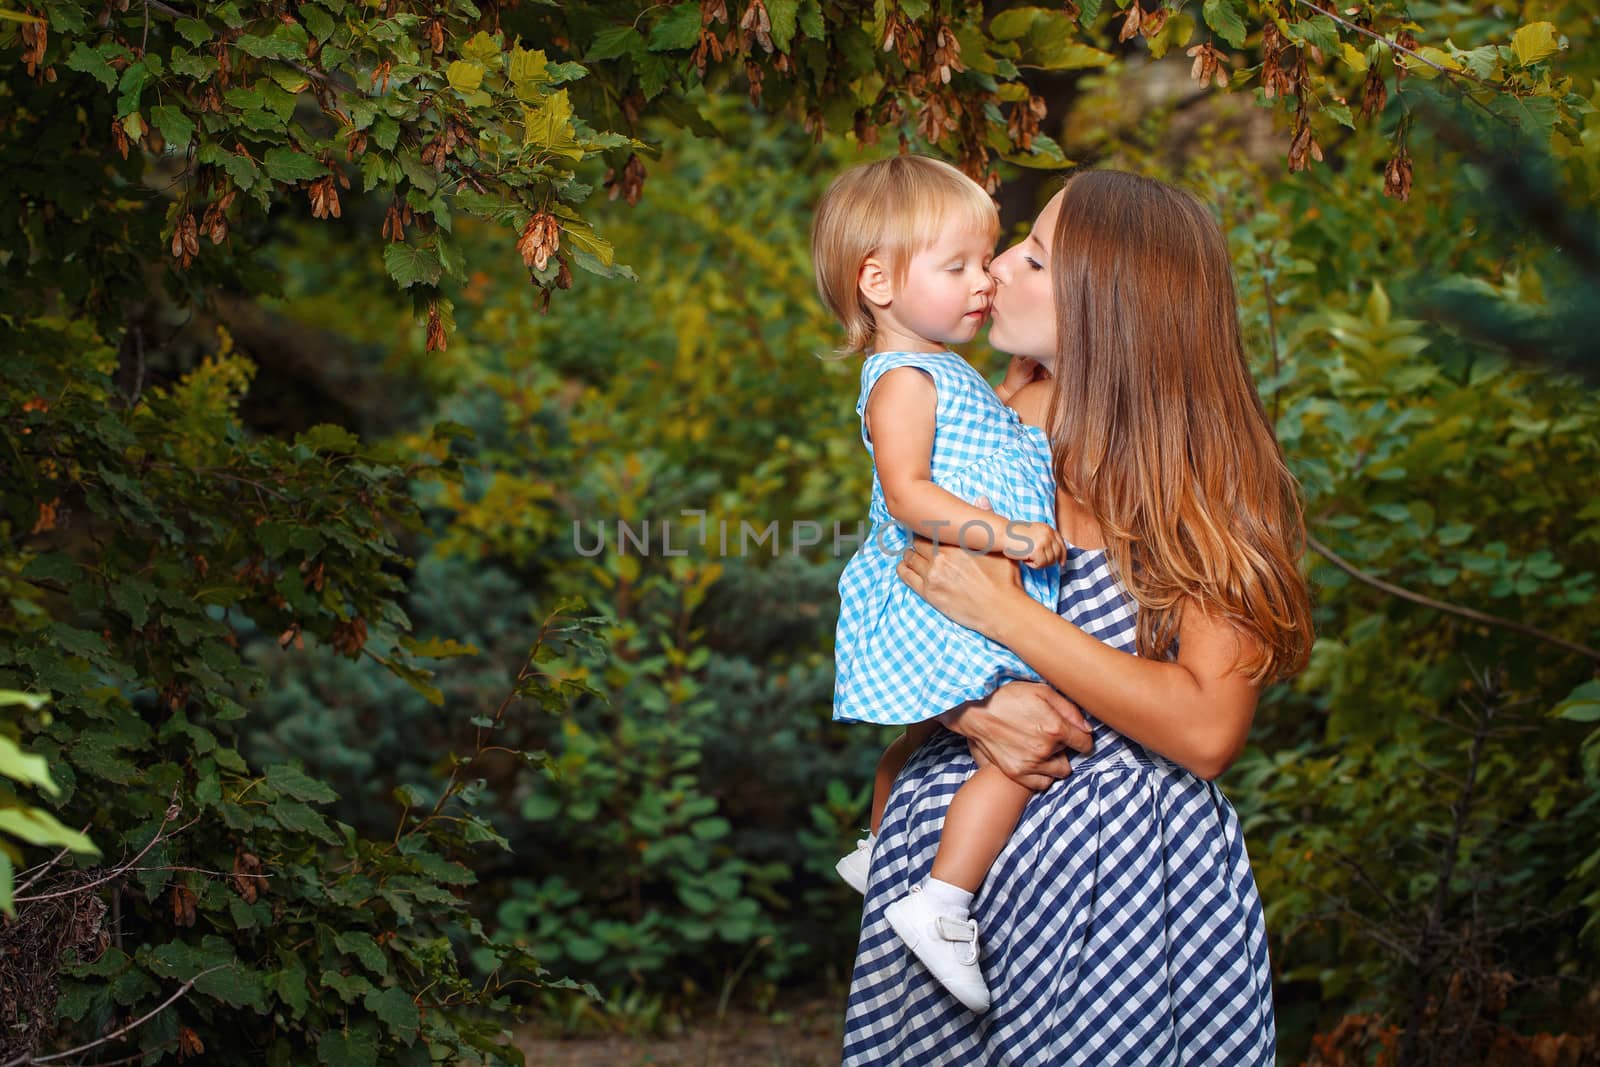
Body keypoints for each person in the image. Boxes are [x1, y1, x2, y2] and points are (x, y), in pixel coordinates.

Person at [841, 168, 1314, 1064]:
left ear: (1112, 303)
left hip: (1117, 888)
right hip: (954, 878)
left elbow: (1210, 729)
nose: (1002, 268)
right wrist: (966, 706)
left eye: (1036, 258)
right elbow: (900, 586)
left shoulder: (1205, 478)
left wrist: (1013, 621)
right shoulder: (989, 416)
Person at [812, 155, 1071, 1013]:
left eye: (985, 260)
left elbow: (982, 436)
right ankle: (944, 900)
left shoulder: (944, 372)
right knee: (1029, 733)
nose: (983, 283)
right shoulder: (903, 380)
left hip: (955, 583)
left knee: (924, 739)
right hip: (941, 585)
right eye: (956, 266)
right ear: (877, 282)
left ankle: (880, 843)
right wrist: (1006, 534)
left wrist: (1021, 389)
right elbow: (909, 494)